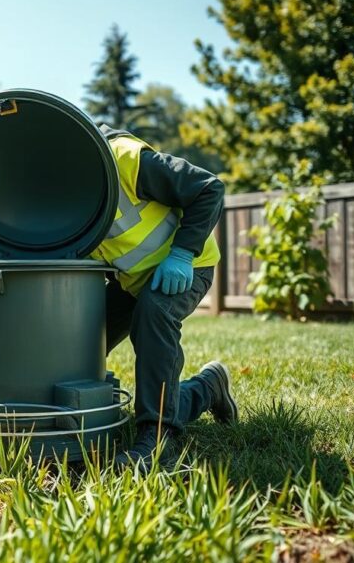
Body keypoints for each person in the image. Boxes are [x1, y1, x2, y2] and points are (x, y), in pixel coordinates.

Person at [90, 124, 239, 470]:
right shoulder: (62, 197)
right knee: (81, 341)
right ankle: (207, 388)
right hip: (131, 281)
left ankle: (155, 441)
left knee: (153, 313)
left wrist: (183, 253)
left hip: (185, 267)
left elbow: (209, 188)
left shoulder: (124, 159)